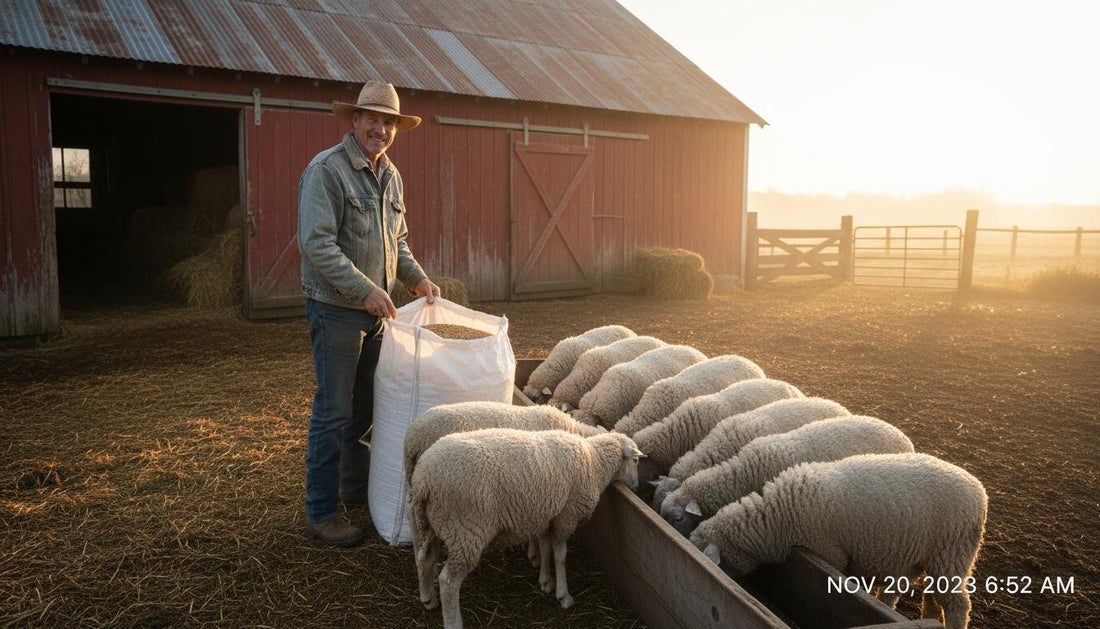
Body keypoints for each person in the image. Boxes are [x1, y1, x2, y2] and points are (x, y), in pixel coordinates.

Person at [297, 80, 440, 547]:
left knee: (366, 406)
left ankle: (352, 487)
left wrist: (417, 279)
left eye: (389, 123)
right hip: (337, 309)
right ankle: (321, 512)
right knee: (333, 409)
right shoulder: (327, 170)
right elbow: (316, 244)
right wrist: (364, 291)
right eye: (373, 120)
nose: (381, 129)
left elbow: (398, 241)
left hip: (378, 312)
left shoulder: (390, 175)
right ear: (354, 120)